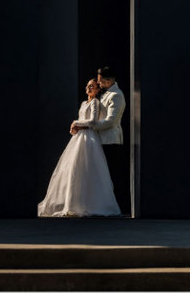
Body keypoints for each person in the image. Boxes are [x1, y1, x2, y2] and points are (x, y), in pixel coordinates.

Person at [37, 78, 120, 217]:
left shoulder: (95, 102)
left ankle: (90, 204)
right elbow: (82, 121)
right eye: (87, 85)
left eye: (92, 86)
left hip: (89, 138)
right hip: (79, 138)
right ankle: (73, 203)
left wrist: (75, 123)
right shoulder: (83, 103)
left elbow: (93, 121)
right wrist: (75, 128)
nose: (88, 88)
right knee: (74, 169)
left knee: (88, 169)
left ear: (98, 89)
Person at [73, 66, 128, 214]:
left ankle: (117, 208)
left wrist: (89, 127)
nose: (99, 84)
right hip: (100, 140)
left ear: (108, 80)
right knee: (103, 175)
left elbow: (110, 121)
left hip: (110, 140)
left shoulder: (116, 95)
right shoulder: (105, 94)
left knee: (112, 175)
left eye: (100, 81)